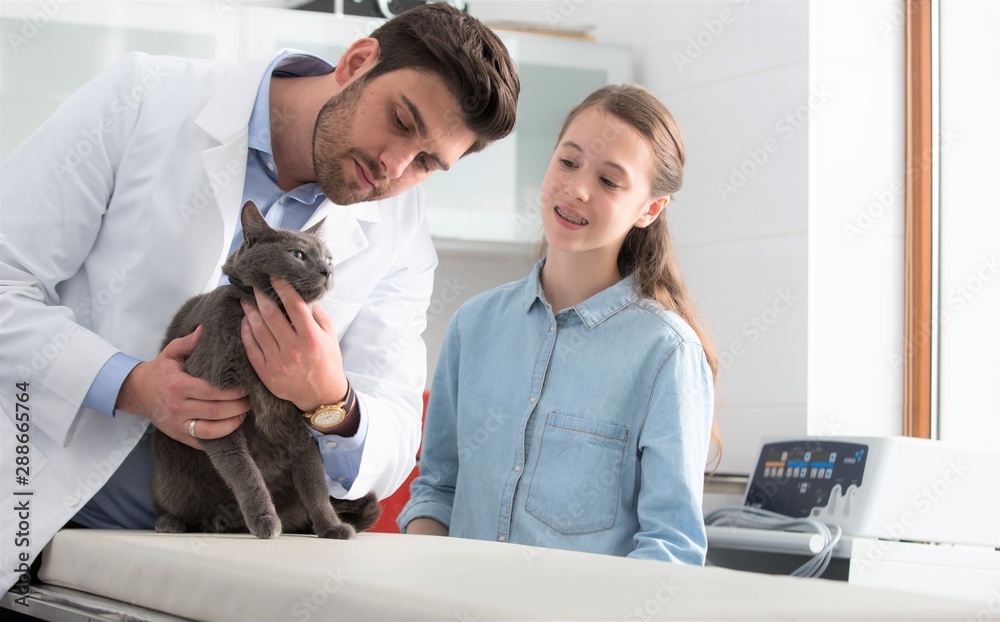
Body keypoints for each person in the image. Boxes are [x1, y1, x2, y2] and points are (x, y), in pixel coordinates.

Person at [0, 3, 519, 593]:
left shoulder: (400, 231)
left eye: (428, 161)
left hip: (232, 568)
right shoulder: (145, 96)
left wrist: (330, 400)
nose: (393, 168)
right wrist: (131, 386)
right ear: (356, 63)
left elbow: (397, 429)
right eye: (401, 121)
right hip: (47, 530)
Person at [398, 84, 719, 564]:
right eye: (568, 163)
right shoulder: (473, 326)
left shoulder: (666, 353)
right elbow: (437, 489)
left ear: (649, 209)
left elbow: (671, 548)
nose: (577, 188)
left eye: (611, 181)